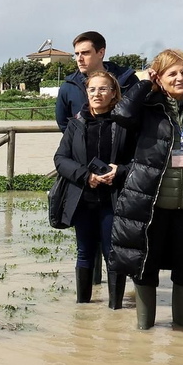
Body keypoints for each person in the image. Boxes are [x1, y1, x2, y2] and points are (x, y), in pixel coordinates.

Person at [109, 49, 183, 330]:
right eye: (172, 73)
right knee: (145, 267)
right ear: (159, 77)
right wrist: (143, 84)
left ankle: (182, 331)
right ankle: (145, 330)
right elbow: (121, 113)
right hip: (151, 206)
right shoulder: (147, 107)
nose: (180, 77)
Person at [55, 31, 140, 284]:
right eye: (77, 54)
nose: (80, 58)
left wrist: (120, 167)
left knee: (117, 247)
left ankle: (121, 305)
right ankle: (88, 300)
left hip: (117, 183)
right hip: (83, 178)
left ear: (101, 52)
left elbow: (140, 120)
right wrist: (81, 150)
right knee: (86, 250)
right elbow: (63, 124)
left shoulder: (127, 80)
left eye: (85, 53)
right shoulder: (69, 86)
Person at [51, 71, 130, 307]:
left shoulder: (125, 124)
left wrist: (120, 171)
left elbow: (140, 160)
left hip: (114, 199)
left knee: (112, 254)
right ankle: (83, 309)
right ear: (87, 93)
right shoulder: (76, 124)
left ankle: (115, 309)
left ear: (114, 92)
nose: (97, 94)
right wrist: (87, 177)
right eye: (92, 89)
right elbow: (60, 159)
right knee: (84, 252)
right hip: (83, 198)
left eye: (103, 89)